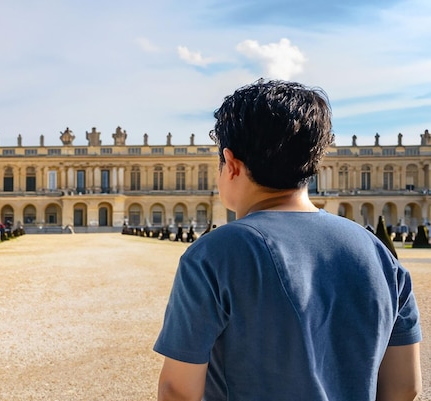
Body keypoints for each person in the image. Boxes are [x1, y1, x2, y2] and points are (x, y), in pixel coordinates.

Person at [154, 80, 422, 401]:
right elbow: (405, 388)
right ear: (314, 162)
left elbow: (178, 392)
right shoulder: (380, 255)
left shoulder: (214, 254)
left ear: (232, 164)